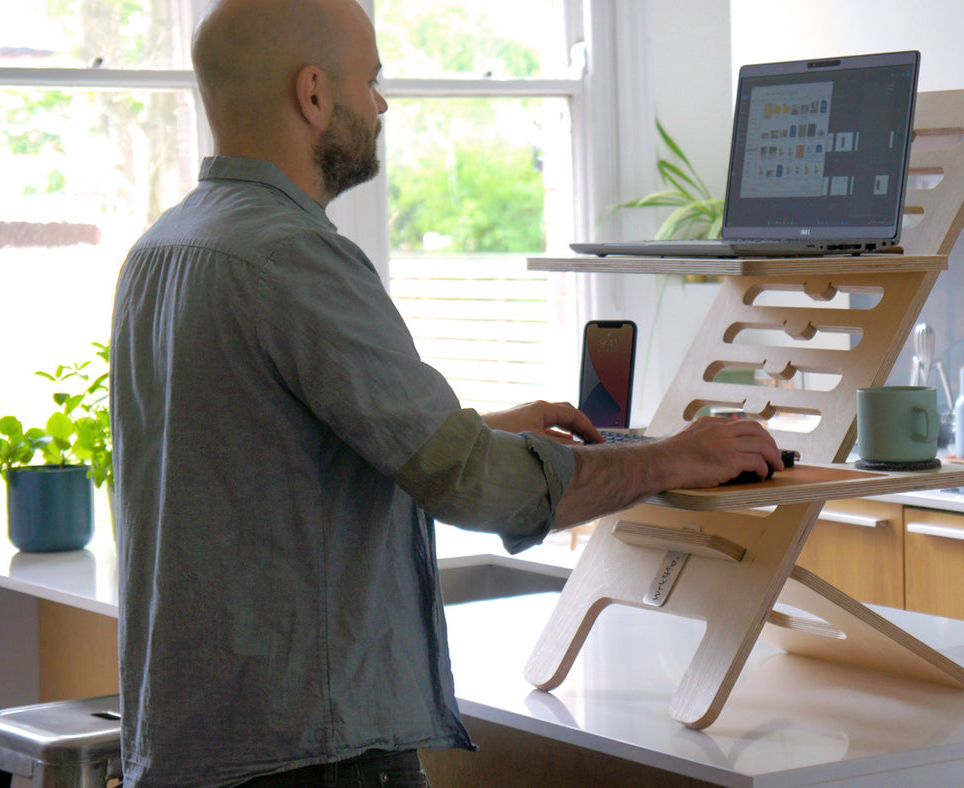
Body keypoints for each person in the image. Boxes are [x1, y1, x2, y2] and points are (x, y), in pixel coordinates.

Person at [108, 0, 782, 785]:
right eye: (374, 80)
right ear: (315, 94)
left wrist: (489, 427)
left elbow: (270, 456)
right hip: (312, 755)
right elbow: (471, 484)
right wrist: (672, 460)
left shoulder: (161, 252)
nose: (383, 104)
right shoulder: (295, 258)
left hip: (193, 744)